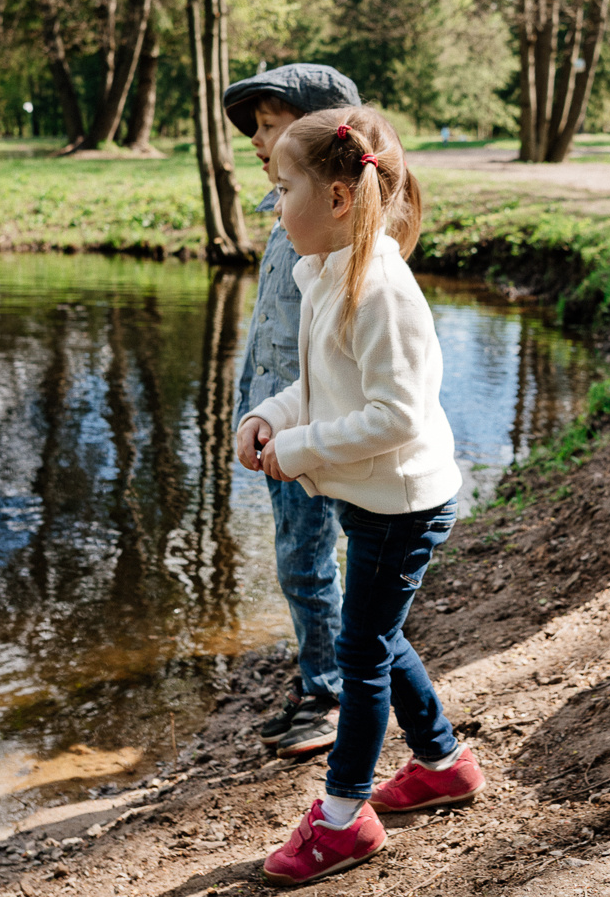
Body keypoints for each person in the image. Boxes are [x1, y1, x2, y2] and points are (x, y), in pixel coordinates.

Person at [237, 108, 485, 885]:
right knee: (375, 633)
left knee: (361, 653)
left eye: (283, 189)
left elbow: (397, 415)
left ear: (341, 198)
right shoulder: (329, 272)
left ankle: (343, 817)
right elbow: (322, 387)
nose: (275, 207)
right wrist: (270, 416)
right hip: (376, 496)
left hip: (404, 502)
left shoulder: (379, 290)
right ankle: (442, 762)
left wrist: (300, 451)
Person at [222, 64, 362, 759]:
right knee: (295, 557)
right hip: (279, 416)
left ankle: (333, 692)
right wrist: (253, 406)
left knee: (308, 561)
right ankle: (318, 679)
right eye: (255, 129)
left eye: (269, 126)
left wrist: (294, 420)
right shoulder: (287, 215)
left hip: (314, 425)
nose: (255, 140)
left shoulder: (340, 228)